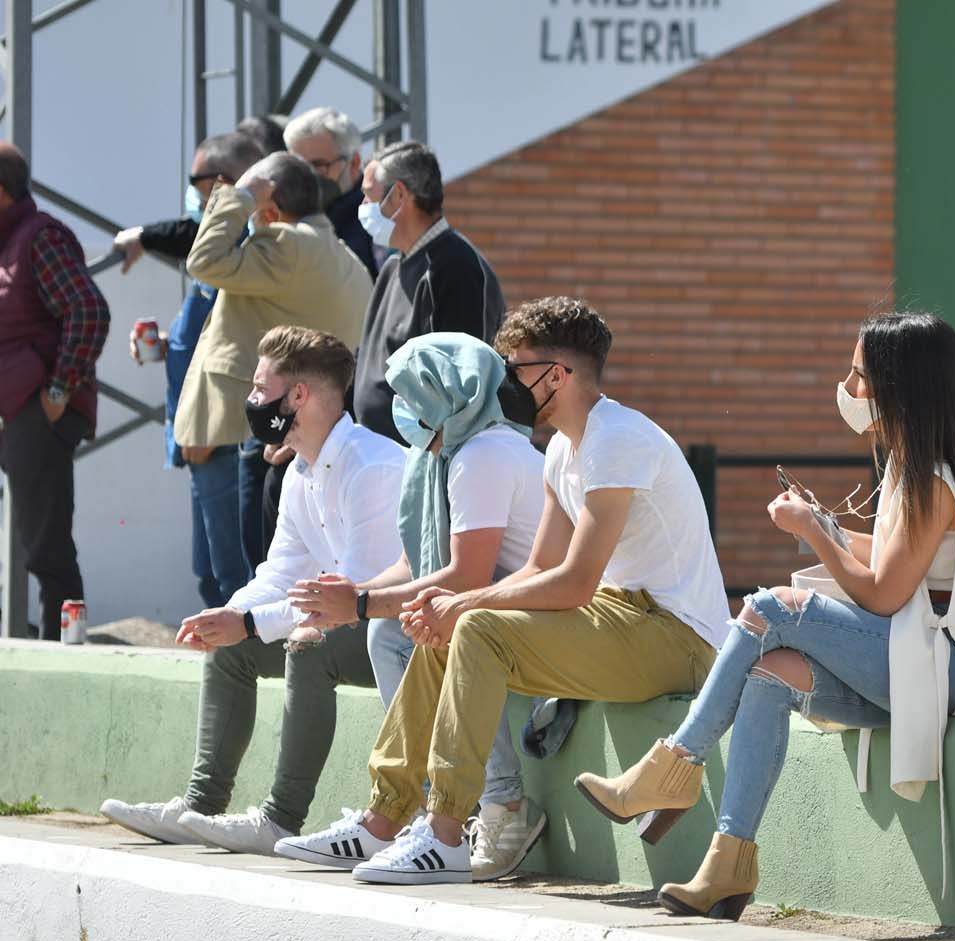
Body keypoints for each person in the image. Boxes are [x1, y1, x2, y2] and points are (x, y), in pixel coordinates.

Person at [575, 312, 955, 920]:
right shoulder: (919, 466)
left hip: (954, 675)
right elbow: (900, 561)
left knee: (769, 608)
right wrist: (824, 525)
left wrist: (815, 537)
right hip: (923, 664)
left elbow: (883, 595)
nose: (847, 389)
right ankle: (728, 861)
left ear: (899, 387)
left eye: (858, 375)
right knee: (775, 673)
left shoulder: (931, 478)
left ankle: (675, 765)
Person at [276, 297, 726, 884]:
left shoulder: (617, 438)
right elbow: (539, 565)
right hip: (619, 618)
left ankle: (445, 834)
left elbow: (574, 580)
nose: (505, 383)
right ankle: (381, 820)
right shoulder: (564, 447)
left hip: (677, 636)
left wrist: (465, 602)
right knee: (450, 625)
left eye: (517, 370)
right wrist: (449, 606)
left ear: (557, 375)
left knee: (474, 624)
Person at [100, 326, 402, 853]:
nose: (252, 401)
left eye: (261, 389)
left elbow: (353, 600)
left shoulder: (372, 466)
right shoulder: (299, 472)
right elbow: (280, 573)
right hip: (349, 620)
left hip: (391, 630)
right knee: (231, 648)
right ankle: (200, 807)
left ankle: (280, 820)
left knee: (309, 645)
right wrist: (231, 615)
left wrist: (249, 622)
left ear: (299, 396)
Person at [282, 332, 547, 880]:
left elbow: (465, 579)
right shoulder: (443, 458)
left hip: (538, 620)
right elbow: (416, 566)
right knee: (396, 631)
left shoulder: (484, 452)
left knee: (450, 627)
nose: (403, 408)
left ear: (452, 393)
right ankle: (410, 813)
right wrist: (353, 601)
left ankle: (504, 805)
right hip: (504, 614)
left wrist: (359, 605)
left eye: (415, 392)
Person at [174, 151, 372, 569]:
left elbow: (203, 260)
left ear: (271, 207)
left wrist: (241, 196)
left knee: (228, 576)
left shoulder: (287, 243)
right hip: (286, 429)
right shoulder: (343, 257)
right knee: (245, 571)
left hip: (237, 430)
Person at [113, 131, 264, 608]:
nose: (190, 195)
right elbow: (208, 335)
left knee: (232, 579)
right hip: (201, 437)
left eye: (193, 182)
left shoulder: (236, 243)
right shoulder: (217, 247)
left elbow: (237, 345)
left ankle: (245, 672)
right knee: (211, 575)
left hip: (218, 438)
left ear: (220, 183)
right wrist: (165, 347)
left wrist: (209, 433)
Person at [0, 142, 110, 640]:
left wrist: (58, 391)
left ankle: (65, 650)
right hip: (5, 409)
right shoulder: (3, 247)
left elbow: (89, 311)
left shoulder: (40, 238)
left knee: (46, 546)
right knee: (44, 540)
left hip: (37, 409)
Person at [350, 141, 505, 444]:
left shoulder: (455, 267)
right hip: (379, 456)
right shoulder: (395, 266)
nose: (363, 205)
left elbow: (461, 387)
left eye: (368, 195)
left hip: (421, 460)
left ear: (398, 195)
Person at [284, 106, 379, 277]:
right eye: (298, 167)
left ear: (354, 163)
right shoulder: (282, 217)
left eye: (319, 165)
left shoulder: (379, 220)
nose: (307, 177)